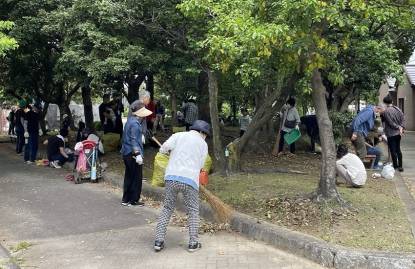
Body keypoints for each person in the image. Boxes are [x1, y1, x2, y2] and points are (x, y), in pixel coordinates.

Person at [154, 120, 210, 253]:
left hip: (171, 177)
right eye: (206, 134)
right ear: (202, 132)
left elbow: (164, 148)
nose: (206, 137)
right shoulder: (202, 144)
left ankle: (158, 241)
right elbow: (202, 165)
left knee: (167, 208)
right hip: (190, 180)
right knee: (193, 211)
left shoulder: (178, 135)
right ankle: (193, 243)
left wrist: (167, 152)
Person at [120, 100, 152, 207]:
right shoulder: (135, 124)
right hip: (133, 154)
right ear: (139, 113)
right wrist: (138, 154)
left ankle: (126, 199)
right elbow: (133, 140)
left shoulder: (130, 121)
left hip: (126, 153)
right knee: (137, 177)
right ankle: (133, 200)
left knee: (129, 176)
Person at [382, 95, 405, 172]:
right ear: (392, 101)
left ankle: (395, 166)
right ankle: (400, 166)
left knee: (393, 150)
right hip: (398, 133)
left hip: (391, 133)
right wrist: (401, 127)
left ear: (385, 103)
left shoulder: (386, 112)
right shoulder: (398, 109)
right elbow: (403, 118)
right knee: (398, 149)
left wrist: (398, 127)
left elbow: (390, 123)